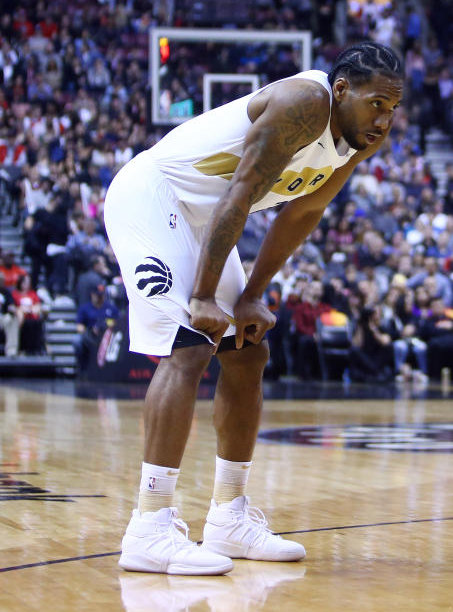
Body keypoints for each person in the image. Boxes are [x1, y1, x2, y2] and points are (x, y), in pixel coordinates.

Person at [104, 42, 403, 575]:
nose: (384, 118)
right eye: (376, 102)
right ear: (340, 90)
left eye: (392, 107)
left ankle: (228, 517)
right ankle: (148, 526)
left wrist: (250, 296)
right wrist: (202, 295)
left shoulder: (359, 138)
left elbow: (303, 211)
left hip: (206, 219)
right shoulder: (303, 104)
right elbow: (239, 195)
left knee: (247, 351)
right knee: (188, 347)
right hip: (155, 196)